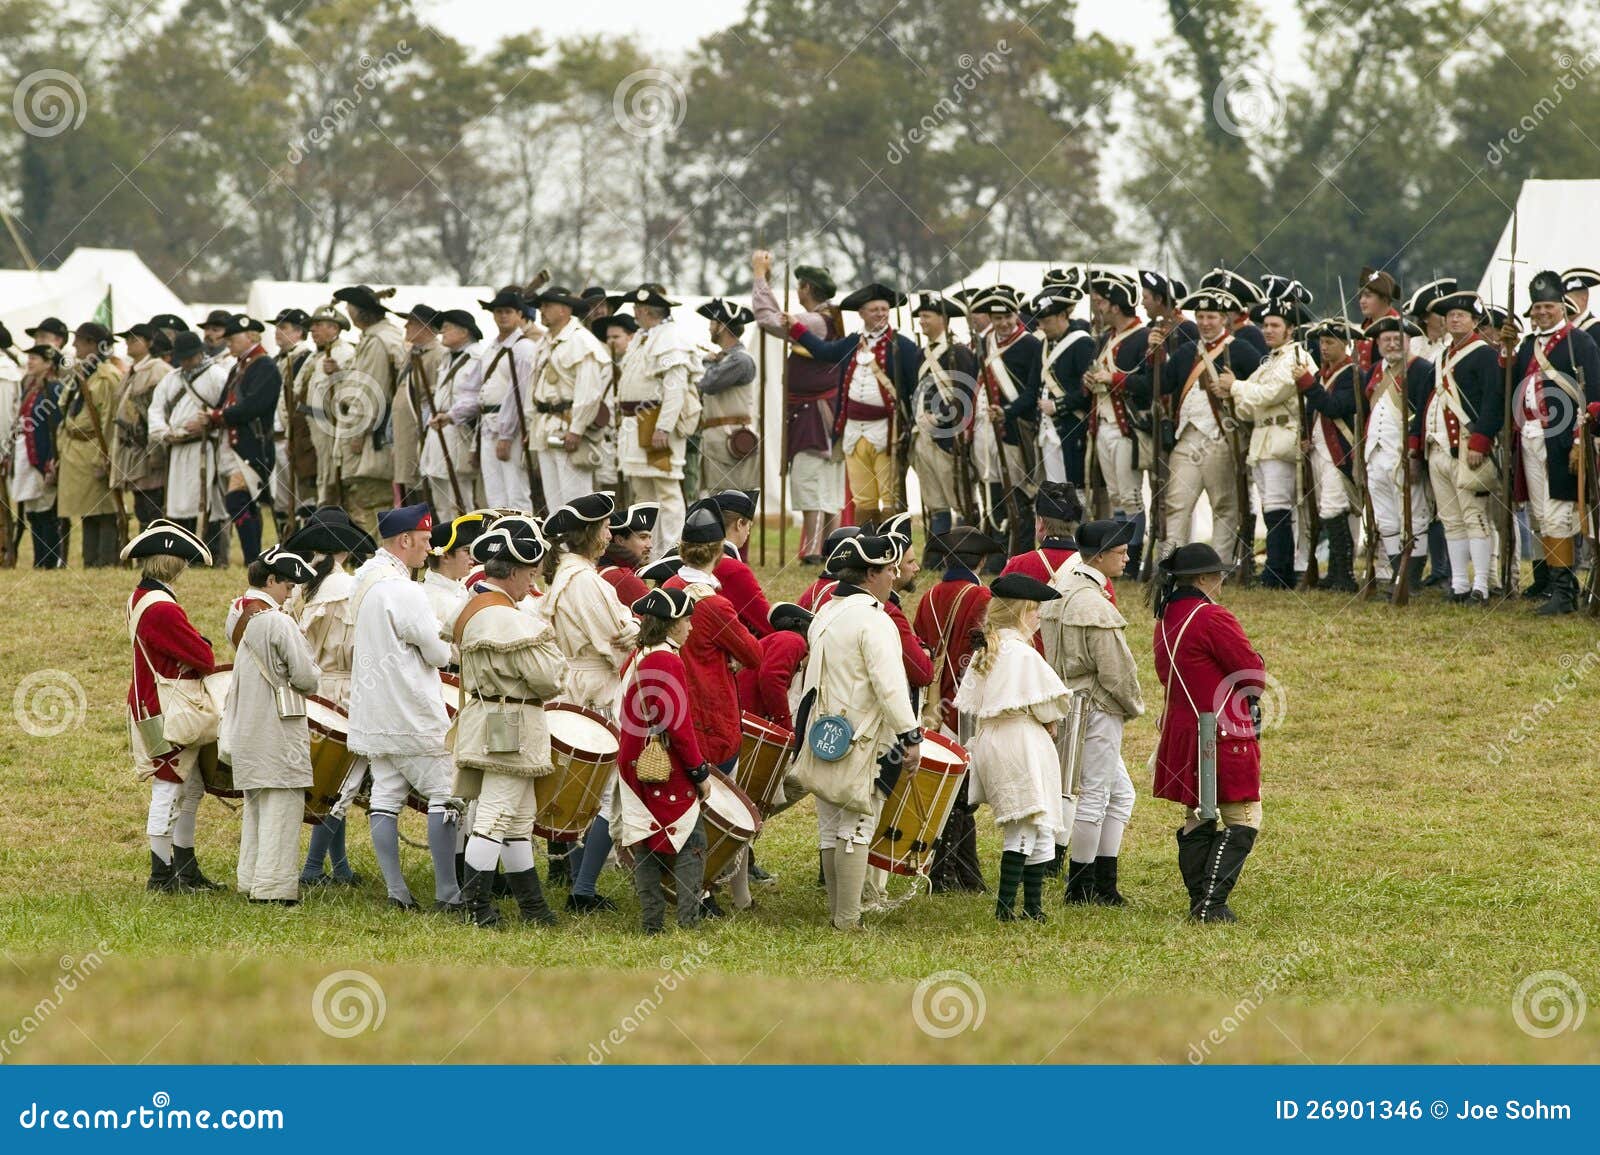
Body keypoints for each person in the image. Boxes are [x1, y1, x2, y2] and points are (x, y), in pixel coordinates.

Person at [791, 533, 921, 930]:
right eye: (889, 570)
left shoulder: (827, 611)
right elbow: (890, 686)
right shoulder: (875, 619)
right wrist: (911, 735)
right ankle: (848, 919)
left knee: (831, 826)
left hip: (824, 732)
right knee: (858, 826)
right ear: (871, 574)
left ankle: (838, 913)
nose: (894, 577)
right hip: (865, 737)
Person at [453, 517, 569, 927]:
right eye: (531, 575)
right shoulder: (505, 618)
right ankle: (476, 909)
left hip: (497, 714)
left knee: (519, 817)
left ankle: (533, 908)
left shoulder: (478, 606)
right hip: (510, 719)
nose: (531, 586)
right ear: (517, 571)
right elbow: (549, 677)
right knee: (497, 815)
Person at [346, 503, 461, 911]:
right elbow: (436, 653)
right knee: (444, 794)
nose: (429, 549)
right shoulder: (404, 590)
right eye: (426, 541)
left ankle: (397, 891)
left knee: (386, 798)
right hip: (409, 709)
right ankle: (449, 892)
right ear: (405, 540)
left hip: (374, 711)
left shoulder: (363, 582)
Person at [1151, 543, 1267, 923]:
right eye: (1217, 575)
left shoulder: (1166, 617)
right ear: (1202, 579)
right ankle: (1211, 904)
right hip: (1222, 730)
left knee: (1199, 814)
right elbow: (1252, 675)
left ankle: (1200, 902)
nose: (1221, 582)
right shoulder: (1212, 617)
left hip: (1184, 728)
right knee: (1244, 816)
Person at [1037, 519, 1145, 903]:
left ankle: (1103, 882)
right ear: (1099, 556)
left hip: (1070, 701)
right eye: (1120, 552)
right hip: (1096, 706)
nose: (1127, 557)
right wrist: (1132, 706)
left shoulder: (1061, 588)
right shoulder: (1092, 604)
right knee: (1096, 795)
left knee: (1121, 794)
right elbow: (1116, 669)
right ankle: (1081, 887)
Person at [540, 492, 640, 904]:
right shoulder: (583, 582)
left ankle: (579, 881)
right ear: (591, 534)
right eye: (604, 527)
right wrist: (637, 626)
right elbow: (614, 639)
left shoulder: (572, 575)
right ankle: (582, 888)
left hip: (579, 680)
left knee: (590, 787)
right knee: (606, 788)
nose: (610, 533)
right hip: (594, 685)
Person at [955, 573, 1074, 921]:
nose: (1038, 615)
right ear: (1021, 611)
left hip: (996, 738)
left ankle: (1033, 907)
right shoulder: (1020, 653)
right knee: (1024, 823)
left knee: (1036, 823)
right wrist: (1048, 718)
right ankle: (1007, 908)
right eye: (1034, 609)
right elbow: (1049, 704)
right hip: (1019, 740)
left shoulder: (987, 651)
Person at [222, 545, 321, 905]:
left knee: (257, 808)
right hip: (276, 727)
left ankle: (250, 879)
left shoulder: (238, 614)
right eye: (287, 583)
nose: (292, 590)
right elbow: (307, 677)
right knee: (282, 808)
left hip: (247, 726)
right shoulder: (278, 621)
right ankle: (273, 889)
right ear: (271, 580)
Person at [123, 521, 219, 893]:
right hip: (165, 706)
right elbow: (204, 657)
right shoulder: (162, 607)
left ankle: (184, 868)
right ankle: (161, 876)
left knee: (189, 786)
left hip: (153, 701)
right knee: (167, 788)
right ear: (173, 565)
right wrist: (201, 643)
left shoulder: (140, 596)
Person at [614, 587, 716, 934]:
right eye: (686, 619)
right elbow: (679, 726)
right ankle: (687, 921)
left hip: (631, 758)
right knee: (691, 841)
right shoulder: (667, 659)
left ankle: (652, 923)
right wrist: (699, 771)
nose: (690, 627)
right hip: (663, 764)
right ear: (671, 624)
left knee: (645, 835)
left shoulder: (639, 655)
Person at [281, 507, 374, 886]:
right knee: (341, 783)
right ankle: (313, 866)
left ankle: (340, 866)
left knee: (333, 781)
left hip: (310, 689)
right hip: (343, 690)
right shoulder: (347, 589)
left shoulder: (301, 586)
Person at [1502, 270, 1600, 614]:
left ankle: (1564, 593)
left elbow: (1593, 394)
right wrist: (1507, 349)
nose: (1542, 313)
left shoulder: (1580, 342)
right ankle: (1556, 587)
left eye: (1548, 306)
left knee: (1559, 514)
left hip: (1562, 440)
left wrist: (1579, 440)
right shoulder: (1529, 344)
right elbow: (1509, 381)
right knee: (1541, 514)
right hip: (1530, 438)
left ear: (1562, 306)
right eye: (1536, 308)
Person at [914, 526, 1001, 892]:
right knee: (961, 795)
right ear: (981, 561)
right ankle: (946, 874)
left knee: (955, 791)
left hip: (935, 706)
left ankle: (965, 873)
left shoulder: (930, 596)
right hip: (962, 706)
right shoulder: (981, 595)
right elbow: (983, 654)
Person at [1410, 290, 1503, 604]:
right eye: (1450, 316)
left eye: (1461, 315)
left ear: (1475, 320)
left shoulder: (1485, 354)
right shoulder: (1442, 357)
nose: (1454, 319)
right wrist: (1415, 444)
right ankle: (1460, 583)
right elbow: (1425, 403)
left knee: (1474, 516)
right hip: (1437, 450)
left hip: (1467, 448)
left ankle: (1481, 586)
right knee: (1450, 519)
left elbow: (1493, 400)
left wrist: (1481, 440)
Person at [1155, 289, 1263, 561]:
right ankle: (1171, 565)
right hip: (1187, 438)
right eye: (1200, 316)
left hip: (1221, 438)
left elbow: (1262, 387)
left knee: (1224, 506)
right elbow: (1161, 385)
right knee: (1176, 504)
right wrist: (1155, 355)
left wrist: (1235, 389)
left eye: (1211, 316)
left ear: (1224, 319)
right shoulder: (1186, 352)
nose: (1204, 322)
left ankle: (1219, 565)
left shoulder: (1241, 350)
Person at [751, 250, 845, 562]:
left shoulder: (816, 322)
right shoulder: (827, 319)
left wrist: (760, 276)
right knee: (825, 486)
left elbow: (768, 320)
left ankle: (815, 550)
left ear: (806, 288)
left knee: (810, 482)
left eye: (799, 286)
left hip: (813, 415)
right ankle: (828, 547)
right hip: (822, 414)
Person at [1226, 296, 1315, 588]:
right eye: (1265, 325)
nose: (1268, 330)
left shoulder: (1296, 357)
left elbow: (1268, 394)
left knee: (1279, 506)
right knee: (1271, 507)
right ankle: (1278, 570)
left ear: (1290, 329)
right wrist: (1246, 392)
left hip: (1282, 438)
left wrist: (1237, 387)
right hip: (1264, 439)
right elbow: (1246, 408)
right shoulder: (1270, 361)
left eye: (1275, 325)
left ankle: (1279, 572)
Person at [617, 285, 698, 551]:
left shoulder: (670, 338)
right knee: (644, 495)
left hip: (654, 422)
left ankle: (672, 552)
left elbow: (675, 389)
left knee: (667, 493)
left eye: (636, 309)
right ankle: (648, 554)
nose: (634, 313)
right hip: (635, 423)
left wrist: (663, 427)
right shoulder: (643, 337)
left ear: (645, 310)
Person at [1362, 316, 1434, 597]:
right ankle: (1396, 576)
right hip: (1375, 454)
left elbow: (1423, 415)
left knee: (1414, 516)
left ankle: (1410, 581)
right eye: (1386, 340)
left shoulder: (1421, 369)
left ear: (1408, 341)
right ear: (1378, 343)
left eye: (1397, 339)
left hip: (1403, 452)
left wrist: (1415, 453)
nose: (1391, 344)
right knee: (1387, 519)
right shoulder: (1375, 371)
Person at [202, 314, 280, 564]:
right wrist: (212, 414)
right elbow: (226, 401)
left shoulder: (264, 365)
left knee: (237, 501)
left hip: (252, 445)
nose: (229, 344)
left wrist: (216, 415)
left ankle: (251, 558)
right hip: (234, 445)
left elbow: (252, 407)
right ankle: (253, 558)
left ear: (250, 336)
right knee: (245, 503)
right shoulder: (240, 366)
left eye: (233, 339)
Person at [973, 285, 1044, 559]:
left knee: (1018, 493)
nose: (1003, 323)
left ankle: (1020, 552)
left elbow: (1031, 390)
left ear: (1016, 314)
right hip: (985, 428)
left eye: (1008, 316)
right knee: (992, 488)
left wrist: (1007, 412)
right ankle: (997, 549)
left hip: (1014, 430)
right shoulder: (985, 342)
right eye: (997, 317)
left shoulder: (1030, 344)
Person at [329, 286, 407, 533]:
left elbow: (371, 392)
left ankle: (379, 554)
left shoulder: (377, 341)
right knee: (370, 496)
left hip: (374, 433)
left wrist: (358, 434)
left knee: (374, 496)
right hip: (375, 429)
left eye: (350, 309)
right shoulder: (380, 337)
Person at [528, 286, 610, 511]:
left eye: (547, 306)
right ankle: (561, 545)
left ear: (564, 310)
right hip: (545, 425)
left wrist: (577, 428)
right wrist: (531, 424)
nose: (542, 311)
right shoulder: (544, 342)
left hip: (568, 425)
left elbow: (589, 391)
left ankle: (581, 546)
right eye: (541, 306)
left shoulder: (581, 341)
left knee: (576, 499)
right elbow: (534, 387)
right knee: (554, 500)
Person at [1298, 319, 1364, 592]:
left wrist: (1307, 384)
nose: (1323, 348)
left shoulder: (1352, 374)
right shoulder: (1323, 375)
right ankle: (1335, 573)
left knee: (1333, 508)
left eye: (1330, 343)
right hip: (1319, 450)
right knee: (1327, 510)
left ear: (1345, 344)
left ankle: (1345, 575)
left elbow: (1335, 407)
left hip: (1339, 451)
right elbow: (1312, 410)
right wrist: (1305, 435)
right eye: (1321, 343)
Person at [908, 290, 979, 535]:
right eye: (921, 316)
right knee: (934, 500)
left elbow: (967, 394)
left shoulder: (958, 352)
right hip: (923, 436)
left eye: (927, 316)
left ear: (943, 319)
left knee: (959, 497)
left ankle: (963, 550)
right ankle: (937, 551)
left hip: (949, 438)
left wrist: (942, 419)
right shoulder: (919, 354)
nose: (922, 321)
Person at [57, 323, 121, 566]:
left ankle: (105, 561)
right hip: (75, 449)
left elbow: (109, 421)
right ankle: (90, 561)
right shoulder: (84, 373)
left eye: (80, 341)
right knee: (87, 511)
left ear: (93, 344)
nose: (74, 346)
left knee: (103, 511)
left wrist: (104, 458)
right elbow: (65, 414)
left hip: (94, 447)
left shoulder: (106, 376)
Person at [420, 309, 484, 521]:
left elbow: (476, 397)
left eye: (446, 328)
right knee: (441, 501)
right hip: (439, 429)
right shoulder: (447, 357)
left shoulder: (477, 356)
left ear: (464, 331)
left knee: (462, 498)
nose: (442, 333)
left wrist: (451, 415)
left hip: (460, 429)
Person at [1032, 288, 1094, 493]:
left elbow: (1088, 389)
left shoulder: (1082, 343)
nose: (1042, 327)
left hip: (1072, 426)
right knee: (1055, 492)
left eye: (1047, 322)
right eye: (1040, 322)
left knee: (1076, 491)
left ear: (1062, 316)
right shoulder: (1044, 345)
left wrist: (1058, 405)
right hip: (1048, 430)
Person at [696, 298, 760, 494]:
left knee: (729, 502)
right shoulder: (727, 359)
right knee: (718, 500)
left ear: (722, 326)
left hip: (729, 441)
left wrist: (708, 364)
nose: (709, 328)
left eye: (712, 323)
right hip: (719, 439)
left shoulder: (740, 360)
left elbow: (709, 384)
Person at [11, 344, 66, 566]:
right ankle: (39, 561)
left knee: (46, 512)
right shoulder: (31, 388)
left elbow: (57, 427)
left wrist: (53, 457)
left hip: (44, 457)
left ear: (48, 363)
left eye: (35, 358)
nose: (30, 362)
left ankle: (50, 561)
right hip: (28, 456)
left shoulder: (53, 389)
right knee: (33, 512)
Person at [297, 303, 355, 508]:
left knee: (332, 478)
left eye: (319, 325)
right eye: (312, 326)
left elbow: (352, 390)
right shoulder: (314, 357)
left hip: (332, 427)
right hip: (312, 427)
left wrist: (338, 373)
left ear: (334, 328)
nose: (312, 330)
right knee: (319, 477)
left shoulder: (346, 353)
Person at [110, 323, 168, 528]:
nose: (128, 343)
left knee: (153, 504)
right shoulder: (131, 371)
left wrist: (156, 450)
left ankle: (157, 554)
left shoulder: (158, 370)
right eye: (128, 339)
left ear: (149, 343)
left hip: (148, 446)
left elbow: (160, 412)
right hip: (132, 447)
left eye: (134, 339)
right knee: (141, 506)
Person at [267, 307, 315, 528]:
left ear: (299, 332)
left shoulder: (305, 359)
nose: (277, 332)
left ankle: (299, 547)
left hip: (293, 436)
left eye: (283, 327)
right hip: (275, 436)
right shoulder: (276, 360)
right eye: (277, 327)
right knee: (281, 499)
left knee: (300, 496)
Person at [737, 601, 812, 731]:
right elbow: (771, 677)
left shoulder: (786, 639)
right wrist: (784, 725)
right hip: (742, 714)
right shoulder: (794, 640)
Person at [707, 488, 772, 636]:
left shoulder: (700, 556)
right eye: (749, 525)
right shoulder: (734, 568)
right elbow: (766, 621)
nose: (748, 531)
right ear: (739, 523)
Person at [598, 501, 657, 608]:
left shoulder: (603, 567)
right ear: (620, 540)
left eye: (650, 538)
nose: (650, 545)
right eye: (643, 537)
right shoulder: (622, 577)